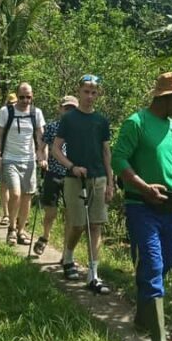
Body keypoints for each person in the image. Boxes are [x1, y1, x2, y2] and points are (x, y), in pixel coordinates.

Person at [112, 72, 172, 341]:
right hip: (140, 206)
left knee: (164, 264)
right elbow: (120, 160)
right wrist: (144, 187)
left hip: (169, 207)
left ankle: (142, 318)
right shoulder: (137, 123)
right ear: (164, 97)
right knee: (154, 264)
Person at [52, 74, 113, 294]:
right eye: (86, 91)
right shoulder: (69, 119)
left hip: (98, 177)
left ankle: (93, 275)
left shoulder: (102, 121)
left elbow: (106, 152)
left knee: (95, 225)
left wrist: (110, 182)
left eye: (93, 92)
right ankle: (68, 256)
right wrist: (71, 166)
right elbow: (56, 149)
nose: (89, 96)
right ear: (79, 92)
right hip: (74, 178)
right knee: (78, 224)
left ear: (98, 94)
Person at [0, 82, 47, 246]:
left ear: (32, 97)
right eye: (22, 97)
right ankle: (12, 229)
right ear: (17, 96)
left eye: (28, 97)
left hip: (29, 160)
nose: (25, 100)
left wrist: (42, 157)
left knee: (27, 196)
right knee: (15, 194)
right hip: (10, 159)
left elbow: (41, 137)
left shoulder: (36, 113)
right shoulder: (6, 111)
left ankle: (21, 230)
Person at [32, 95, 79, 257]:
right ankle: (45, 236)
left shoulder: (81, 129)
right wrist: (42, 159)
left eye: (72, 109)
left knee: (70, 214)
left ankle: (66, 252)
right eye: (66, 108)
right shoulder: (52, 127)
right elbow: (41, 147)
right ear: (60, 109)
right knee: (51, 212)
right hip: (53, 173)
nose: (69, 112)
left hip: (72, 176)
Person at [0, 92, 18, 225]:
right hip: (5, 154)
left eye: (14, 103)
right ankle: (6, 214)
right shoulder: (4, 115)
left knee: (19, 190)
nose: (13, 106)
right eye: (10, 103)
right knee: (5, 186)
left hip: (21, 157)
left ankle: (16, 216)